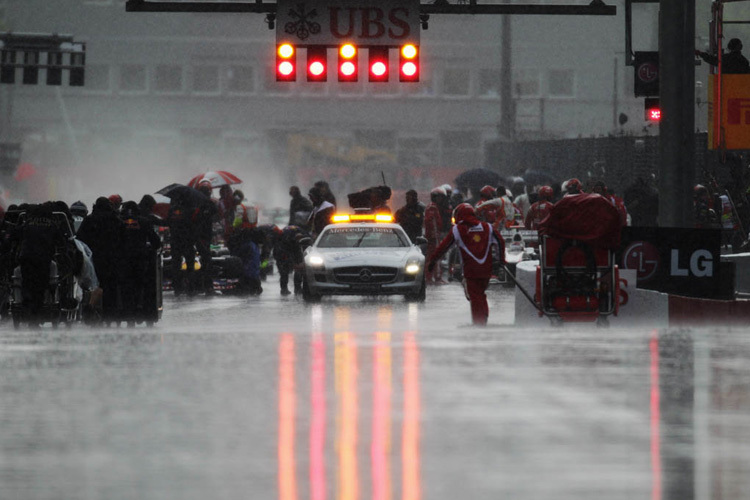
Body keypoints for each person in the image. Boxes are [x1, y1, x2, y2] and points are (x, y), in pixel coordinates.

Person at [427, 203, 505, 325]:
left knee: (474, 297)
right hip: (486, 271)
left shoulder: (458, 229)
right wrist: (501, 261)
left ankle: (479, 325)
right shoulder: (488, 227)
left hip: (471, 271)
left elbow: (443, 247)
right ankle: (483, 319)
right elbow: (500, 242)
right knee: (480, 294)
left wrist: (433, 260)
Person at [77, 197, 124, 322]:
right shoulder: (115, 220)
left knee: (92, 286)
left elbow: (80, 239)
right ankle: (109, 315)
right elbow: (123, 239)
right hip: (111, 259)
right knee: (110, 287)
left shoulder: (89, 220)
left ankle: (89, 309)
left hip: (93, 259)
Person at [119, 201, 162, 325]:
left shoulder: (119, 223)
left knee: (126, 288)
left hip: (124, 261)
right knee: (141, 286)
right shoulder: (145, 222)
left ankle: (129, 315)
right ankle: (140, 307)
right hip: (141, 260)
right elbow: (155, 242)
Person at [273, 225, 308, 295]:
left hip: (295, 249)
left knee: (298, 270)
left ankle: (297, 289)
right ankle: (284, 289)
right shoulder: (285, 237)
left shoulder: (304, 234)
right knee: (284, 272)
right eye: (297, 238)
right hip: (283, 251)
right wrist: (290, 262)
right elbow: (280, 251)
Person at [424, 187, 446, 284]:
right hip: (433, 238)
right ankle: (436, 277)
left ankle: (430, 277)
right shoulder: (432, 207)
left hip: (433, 237)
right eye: (440, 197)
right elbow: (430, 222)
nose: (441, 200)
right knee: (436, 257)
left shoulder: (432, 207)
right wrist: (434, 235)